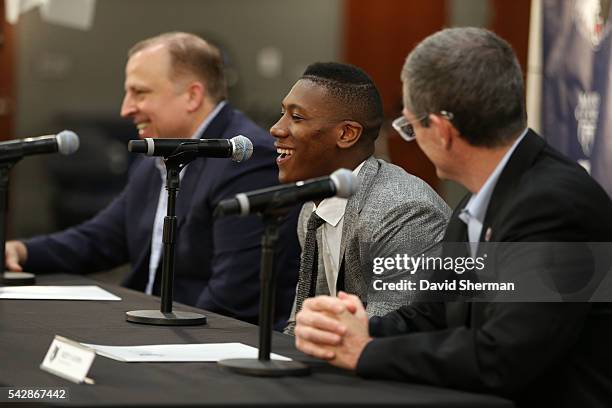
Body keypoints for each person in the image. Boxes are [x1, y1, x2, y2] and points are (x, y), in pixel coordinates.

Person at [292, 28, 612, 407]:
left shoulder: (556, 205)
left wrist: (365, 352)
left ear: (441, 131)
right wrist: (358, 331)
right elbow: (438, 311)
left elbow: (505, 357)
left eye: (410, 127)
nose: (412, 139)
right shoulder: (479, 200)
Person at [4, 32, 301, 328]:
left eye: (140, 93)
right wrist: (24, 251)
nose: (126, 109)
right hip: (152, 327)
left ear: (192, 96)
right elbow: (105, 237)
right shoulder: (163, 149)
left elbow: (233, 296)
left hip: (201, 341)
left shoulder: (245, 158)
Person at [270, 62, 449, 334]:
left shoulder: (404, 212)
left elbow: (385, 337)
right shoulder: (312, 207)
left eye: (296, 118)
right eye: (282, 113)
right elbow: (303, 321)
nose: (276, 129)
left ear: (347, 134)